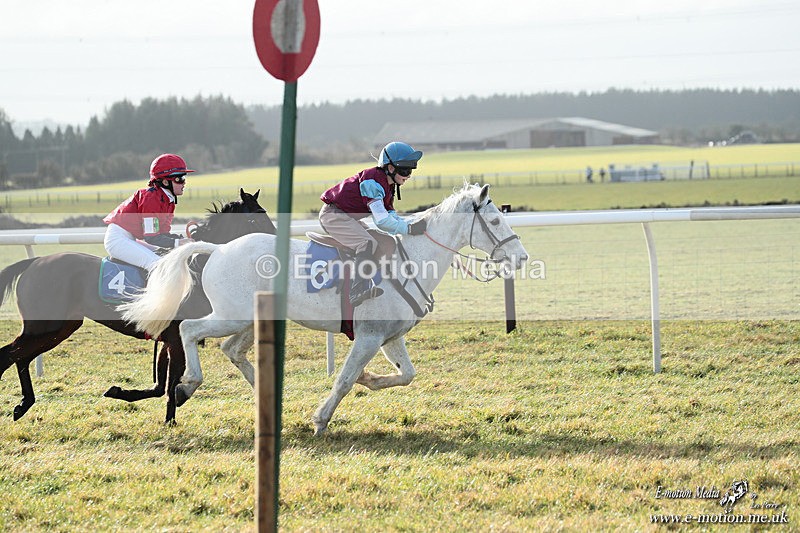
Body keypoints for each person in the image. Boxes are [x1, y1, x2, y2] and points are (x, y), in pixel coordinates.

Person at [319, 141, 427, 306]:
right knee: (367, 242)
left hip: (346, 217)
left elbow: (392, 217)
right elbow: (382, 221)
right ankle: (355, 291)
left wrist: (410, 224)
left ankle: (377, 281)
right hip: (333, 215)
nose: (408, 175)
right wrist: (409, 228)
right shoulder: (373, 182)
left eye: (411, 170)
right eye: (405, 170)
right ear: (390, 168)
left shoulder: (388, 187)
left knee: (385, 241)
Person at [103, 153, 195, 271]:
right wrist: (178, 242)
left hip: (131, 239)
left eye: (184, 178)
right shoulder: (151, 198)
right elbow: (152, 238)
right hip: (118, 240)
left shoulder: (168, 200)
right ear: (165, 182)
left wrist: (184, 239)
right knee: (159, 266)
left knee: (167, 257)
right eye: (179, 179)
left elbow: (162, 234)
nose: (184, 183)